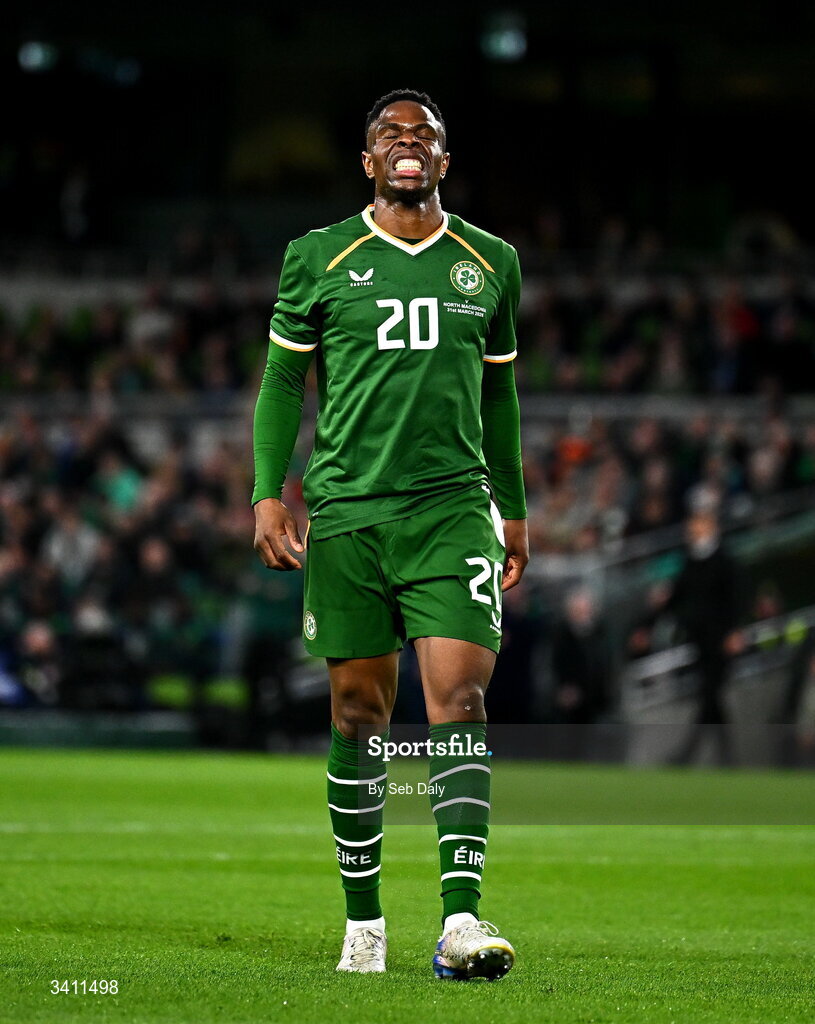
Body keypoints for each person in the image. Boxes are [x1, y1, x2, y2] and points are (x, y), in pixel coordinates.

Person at [252, 89, 527, 979]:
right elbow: (282, 386)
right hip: (348, 514)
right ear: (368, 162)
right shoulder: (317, 257)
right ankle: (363, 923)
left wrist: (513, 508)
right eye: (389, 135)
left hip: (452, 511)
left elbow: (499, 394)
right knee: (358, 715)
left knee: (459, 702)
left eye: (425, 135)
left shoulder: (491, 262)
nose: (407, 144)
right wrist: (266, 494)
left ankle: (460, 920)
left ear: (444, 160)